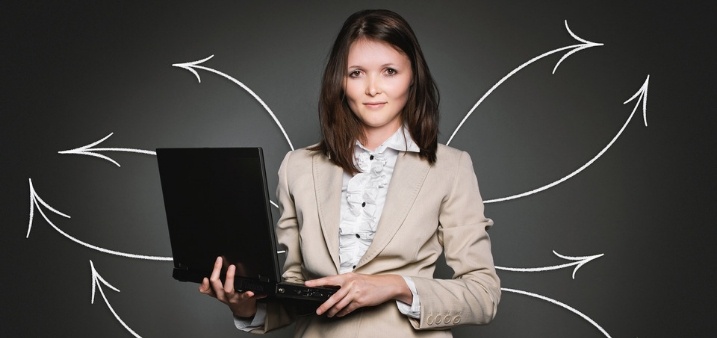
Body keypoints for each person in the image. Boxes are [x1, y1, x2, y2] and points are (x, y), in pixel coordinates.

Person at [199, 9, 500, 337]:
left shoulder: (450, 167)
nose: (373, 88)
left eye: (389, 71)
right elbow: (295, 289)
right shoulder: (298, 167)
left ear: (413, 76)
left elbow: (483, 295)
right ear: (339, 81)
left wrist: (394, 286)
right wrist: (243, 305)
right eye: (356, 73)